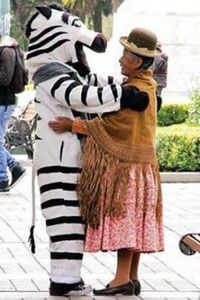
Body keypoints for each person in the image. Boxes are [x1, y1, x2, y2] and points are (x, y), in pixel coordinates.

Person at [25, 4, 150, 297]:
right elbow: (82, 96)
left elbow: (96, 84)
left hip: (67, 159)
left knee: (72, 222)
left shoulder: (64, 71)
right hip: (59, 161)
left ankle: (68, 279)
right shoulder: (50, 74)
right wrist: (125, 95)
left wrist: (133, 87)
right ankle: (64, 281)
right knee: (64, 223)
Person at [49, 27, 164, 296]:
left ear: (137, 61)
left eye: (125, 55)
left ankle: (121, 279)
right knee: (135, 221)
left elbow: (113, 127)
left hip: (129, 170)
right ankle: (132, 278)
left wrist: (73, 124)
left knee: (125, 220)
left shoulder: (136, 91)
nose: (121, 59)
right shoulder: (147, 84)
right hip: (143, 169)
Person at [0, 35, 26, 193]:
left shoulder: (6, 51)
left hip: (3, 102)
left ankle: (2, 179)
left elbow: (4, 78)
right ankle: (14, 167)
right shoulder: (5, 50)